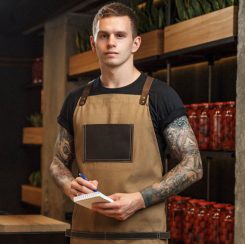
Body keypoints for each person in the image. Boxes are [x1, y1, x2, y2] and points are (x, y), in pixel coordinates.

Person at [50, 2, 203, 243]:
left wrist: (139, 199)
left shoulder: (161, 96)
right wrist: (70, 186)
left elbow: (193, 164)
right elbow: (58, 163)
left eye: (120, 35)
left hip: (143, 237)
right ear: (93, 43)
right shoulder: (75, 100)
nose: (111, 42)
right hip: (85, 236)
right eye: (104, 35)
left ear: (135, 43)